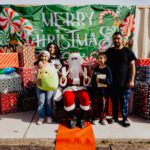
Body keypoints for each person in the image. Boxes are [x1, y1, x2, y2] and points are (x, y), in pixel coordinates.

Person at [106, 32, 136, 127]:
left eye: (118, 38)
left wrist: (131, 80)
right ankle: (114, 118)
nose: (116, 40)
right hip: (112, 82)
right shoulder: (109, 52)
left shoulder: (128, 51)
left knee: (124, 101)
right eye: (114, 39)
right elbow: (103, 65)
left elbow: (133, 66)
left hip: (124, 83)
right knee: (114, 101)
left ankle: (124, 119)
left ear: (122, 39)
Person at [60, 52, 91, 129]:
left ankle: (82, 119)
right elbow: (62, 82)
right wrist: (63, 79)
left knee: (85, 97)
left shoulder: (84, 68)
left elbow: (88, 81)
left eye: (76, 58)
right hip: (69, 88)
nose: (74, 60)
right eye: (72, 58)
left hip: (81, 87)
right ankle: (72, 118)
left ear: (79, 59)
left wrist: (86, 79)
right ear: (69, 60)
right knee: (67, 97)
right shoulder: (65, 69)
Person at [33, 50, 59, 125]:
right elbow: (34, 73)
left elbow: (54, 73)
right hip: (40, 86)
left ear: (48, 57)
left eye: (45, 56)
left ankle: (49, 116)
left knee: (48, 102)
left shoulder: (51, 65)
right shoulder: (37, 65)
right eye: (42, 56)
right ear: (40, 57)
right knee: (41, 101)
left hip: (49, 86)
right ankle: (41, 116)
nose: (44, 58)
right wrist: (35, 80)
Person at [91, 52, 112, 125]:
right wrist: (93, 87)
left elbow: (109, 80)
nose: (99, 60)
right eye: (98, 58)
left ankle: (103, 118)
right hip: (97, 91)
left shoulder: (107, 69)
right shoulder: (96, 68)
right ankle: (96, 117)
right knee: (96, 104)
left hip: (104, 91)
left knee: (103, 105)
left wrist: (100, 80)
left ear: (105, 59)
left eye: (101, 58)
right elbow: (94, 78)